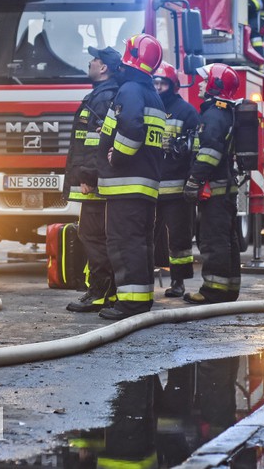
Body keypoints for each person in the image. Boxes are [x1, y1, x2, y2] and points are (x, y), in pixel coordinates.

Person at [96, 33, 166, 320]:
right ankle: (141, 299)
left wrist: (118, 155)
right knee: (140, 243)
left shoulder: (130, 90)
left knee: (125, 243)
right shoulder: (152, 94)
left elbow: (133, 128)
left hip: (126, 184)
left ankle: (130, 304)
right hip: (142, 185)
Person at [63, 46, 122, 313]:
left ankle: (99, 292)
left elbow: (95, 143)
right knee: (96, 235)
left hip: (95, 182)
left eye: (95, 59)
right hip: (98, 178)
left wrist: (87, 176)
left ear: (104, 67)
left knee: (92, 235)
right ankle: (106, 291)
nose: (90, 62)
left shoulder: (102, 98)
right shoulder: (101, 95)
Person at [183, 63, 241, 304]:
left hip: (216, 191)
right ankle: (229, 288)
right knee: (227, 240)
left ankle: (213, 291)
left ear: (215, 85)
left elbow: (209, 153)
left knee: (213, 240)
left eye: (205, 80)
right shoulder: (223, 112)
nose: (200, 84)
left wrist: (193, 180)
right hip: (224, 189)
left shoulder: (213, 115)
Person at [152, 62, 200, 298]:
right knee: (147, 236)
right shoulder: (149, 109)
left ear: (173, 86)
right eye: (155, 83)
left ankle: (178, 281)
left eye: (163, 83)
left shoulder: (186, 112)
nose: (158, 87)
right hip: (150, 188)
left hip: (177, 191)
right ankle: (144, 279)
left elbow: (195, 150)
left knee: (179, 238)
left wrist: (192, 181)